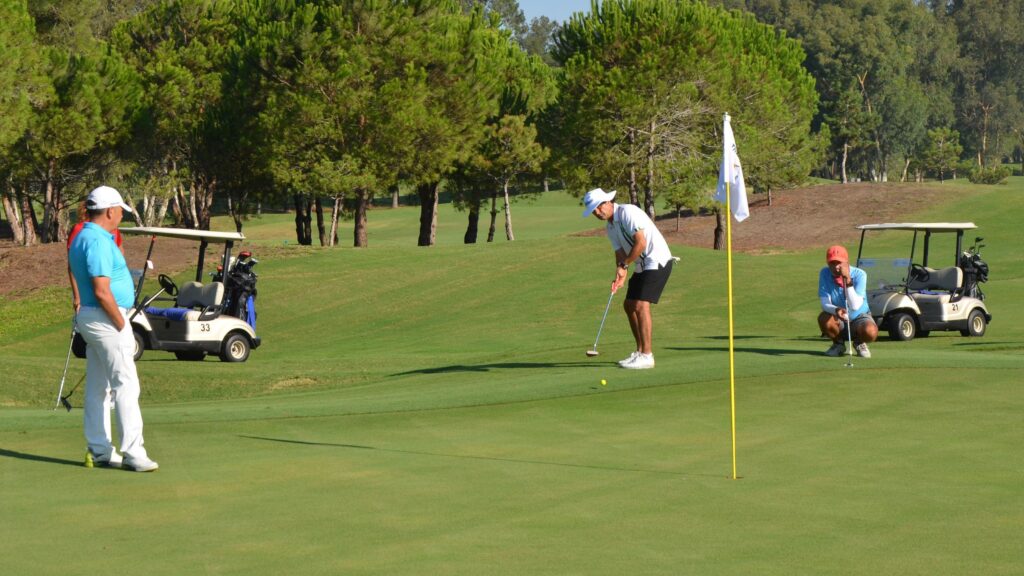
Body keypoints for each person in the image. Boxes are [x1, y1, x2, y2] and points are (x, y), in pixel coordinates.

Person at [68, 185, 158, 472]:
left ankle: (100, 450)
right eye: (120, 211)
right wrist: (120, 324)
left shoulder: (83, 235)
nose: (121, 216)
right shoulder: (98, 241)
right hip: (105, 317)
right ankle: (134, 453)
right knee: (126, 384)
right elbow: (102, 290)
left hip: (92, 317)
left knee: (98, 385)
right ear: (109, 211)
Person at [583, 188, 674, 369]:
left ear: (608, 202)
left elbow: (641, 243)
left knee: (641, 305)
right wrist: (620, 273)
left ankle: (647, 355)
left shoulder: (627, 212)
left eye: (598, 208)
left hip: (657, 259)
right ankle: (640, 352)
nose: (597, 213)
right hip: (642, 264)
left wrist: (625, 265)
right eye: (593, 211)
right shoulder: (610, 227)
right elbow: (620, 253)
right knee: (629, 304)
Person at [818, 245, 878, 358]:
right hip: (838, 317)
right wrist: (836, 310)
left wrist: (848, 280)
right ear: (827, 263)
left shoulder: (860, 274)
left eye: (839, 262)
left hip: (859, 316)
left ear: (846, 262)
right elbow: (825, 303)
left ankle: (859, 343)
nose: (836, 266)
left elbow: (855, 306)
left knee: (871, 332)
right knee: (823, 318)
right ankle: (838, 345)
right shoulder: (825, 273)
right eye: (832, 263)